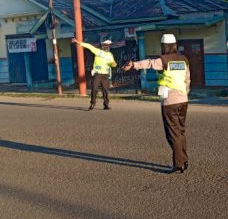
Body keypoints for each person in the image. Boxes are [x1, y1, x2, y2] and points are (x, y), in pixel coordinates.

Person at [123, 34, 191, 174]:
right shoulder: (184, 59)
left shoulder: (163, 60)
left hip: (170, 101)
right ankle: (183, 159)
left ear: (164, 46)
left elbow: (149, 63)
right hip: (183, 100)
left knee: (172, 133)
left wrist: (134, 65)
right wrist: (184, 93)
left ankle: (178, 164)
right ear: (175, 45)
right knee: (181, 131)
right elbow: (187, 79)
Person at [72, 38, 117, 110]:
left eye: (108, 45)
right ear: (102, 45)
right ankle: (92, 103)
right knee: (94, 88)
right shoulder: (98, 51)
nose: (107, 47)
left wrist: (114, 64)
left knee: (105, 90)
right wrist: (77, 42)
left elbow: (113, 64)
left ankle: (106, 105)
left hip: (105, 74)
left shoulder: (110, 55)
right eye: (105, 45)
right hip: (97, 74)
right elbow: (88, 46)